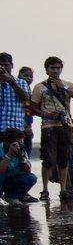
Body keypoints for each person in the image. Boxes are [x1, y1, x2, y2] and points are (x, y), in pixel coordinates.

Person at [31, 56, 73, 202]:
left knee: (64, 158)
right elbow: (33, 107)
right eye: (52, 68)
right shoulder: (40, 87)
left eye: (58, 68)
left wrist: (64, 87)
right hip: (49, 125)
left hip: (66, 125)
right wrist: (46, 114)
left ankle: (63, 189)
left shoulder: (68, 85)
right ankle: (45, 190)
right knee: (48, 159)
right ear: (47, 70)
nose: (55, 71)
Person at [0, 53, 35, 203]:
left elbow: (27, 99)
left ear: (12, 66)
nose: (3, 68)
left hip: (15, 130)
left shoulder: (21, 82)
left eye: (6, 65)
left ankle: (17, 194)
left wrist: (10, 81)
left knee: (22, 163)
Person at [0, 128, 37, 207]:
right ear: (6, 142)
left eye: (21, 143)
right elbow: (1, 171)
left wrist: (21, 157)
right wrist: (9, 154)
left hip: (11, 179)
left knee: (31, 178)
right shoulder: (1, 149)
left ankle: (12, 197)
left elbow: (28, 171)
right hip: (2, 178)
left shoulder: (21, 151)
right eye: (17, 143)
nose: (20, 145)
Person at [17, 67, 34, 158]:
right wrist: (26, 126)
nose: (29, 78)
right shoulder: (17, 91)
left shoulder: (31, 93)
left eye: (31, 76)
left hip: (28, 124)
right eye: (25, 75)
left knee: (27, 153)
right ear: (19, 76)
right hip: (21, 125)